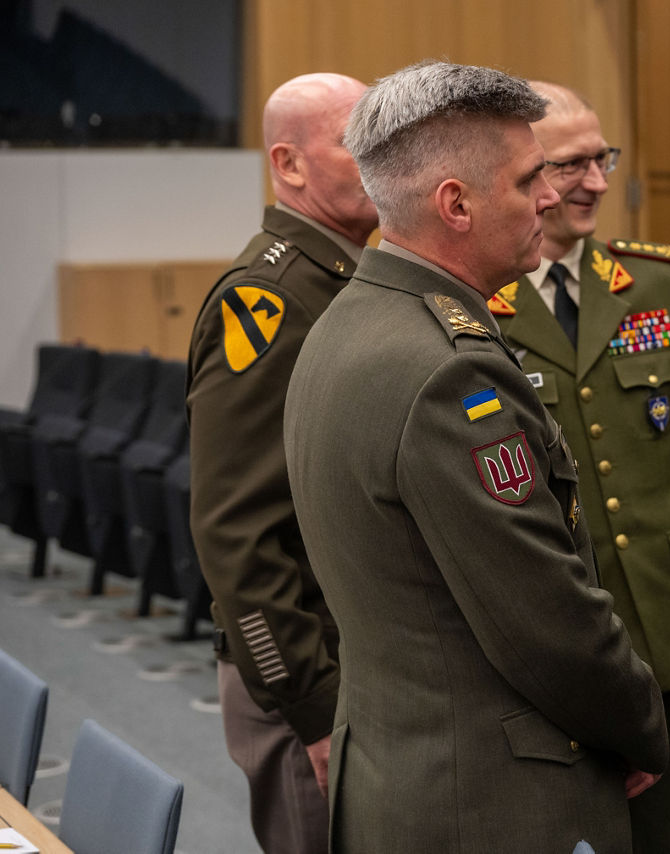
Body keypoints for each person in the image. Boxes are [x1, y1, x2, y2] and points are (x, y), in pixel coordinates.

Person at [282, 61, 668, 853]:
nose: (554, 196)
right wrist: (641, 725)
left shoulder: (351, 320)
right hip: (489, 799)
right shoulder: (448, 370)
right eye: (530, 179)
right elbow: (545, 618)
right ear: (456, 204)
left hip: (401, 769)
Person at [488, 80, 670, 854]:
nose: (599, 181)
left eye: (603, 158)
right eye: (573, 163)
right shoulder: (480, 302)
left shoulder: (657, 281)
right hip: (561, 637)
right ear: (522, 171)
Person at [186, 72, 378, 854]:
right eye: (353, 141)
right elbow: (237, 529)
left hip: (354, 659)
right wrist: (311, 703)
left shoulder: (346, 279)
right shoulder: (268, 301)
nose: (379, 157)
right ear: (289, 165)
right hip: (307, 674)